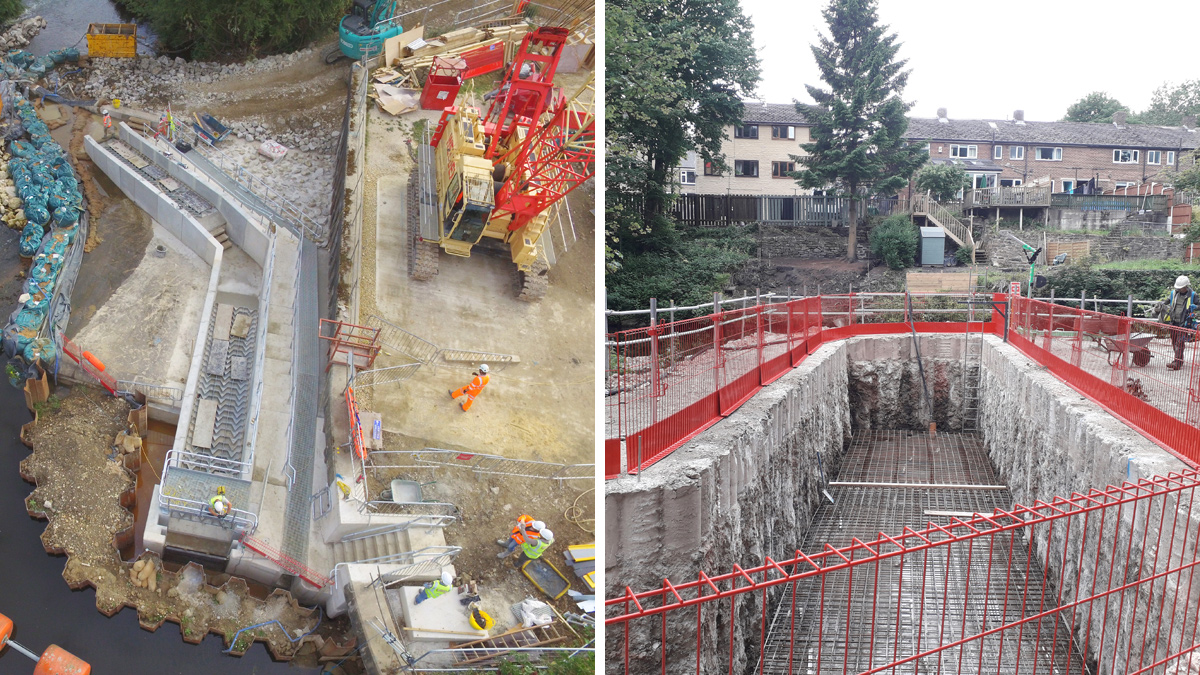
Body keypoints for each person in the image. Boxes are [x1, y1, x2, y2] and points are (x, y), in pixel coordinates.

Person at [1157, 275, 1197, 370]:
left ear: (1186, 286)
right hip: (1173, 322)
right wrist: (1161, 304)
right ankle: (1179, 360)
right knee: (1174, 341)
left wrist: (1196, 307)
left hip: (1184, 323)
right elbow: (1166, 301)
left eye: (1181, 287)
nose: (1179, 289)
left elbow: (1199, 305)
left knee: (1179, 342)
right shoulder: (1174, 293)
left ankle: (1177, 363)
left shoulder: (1193, 295)